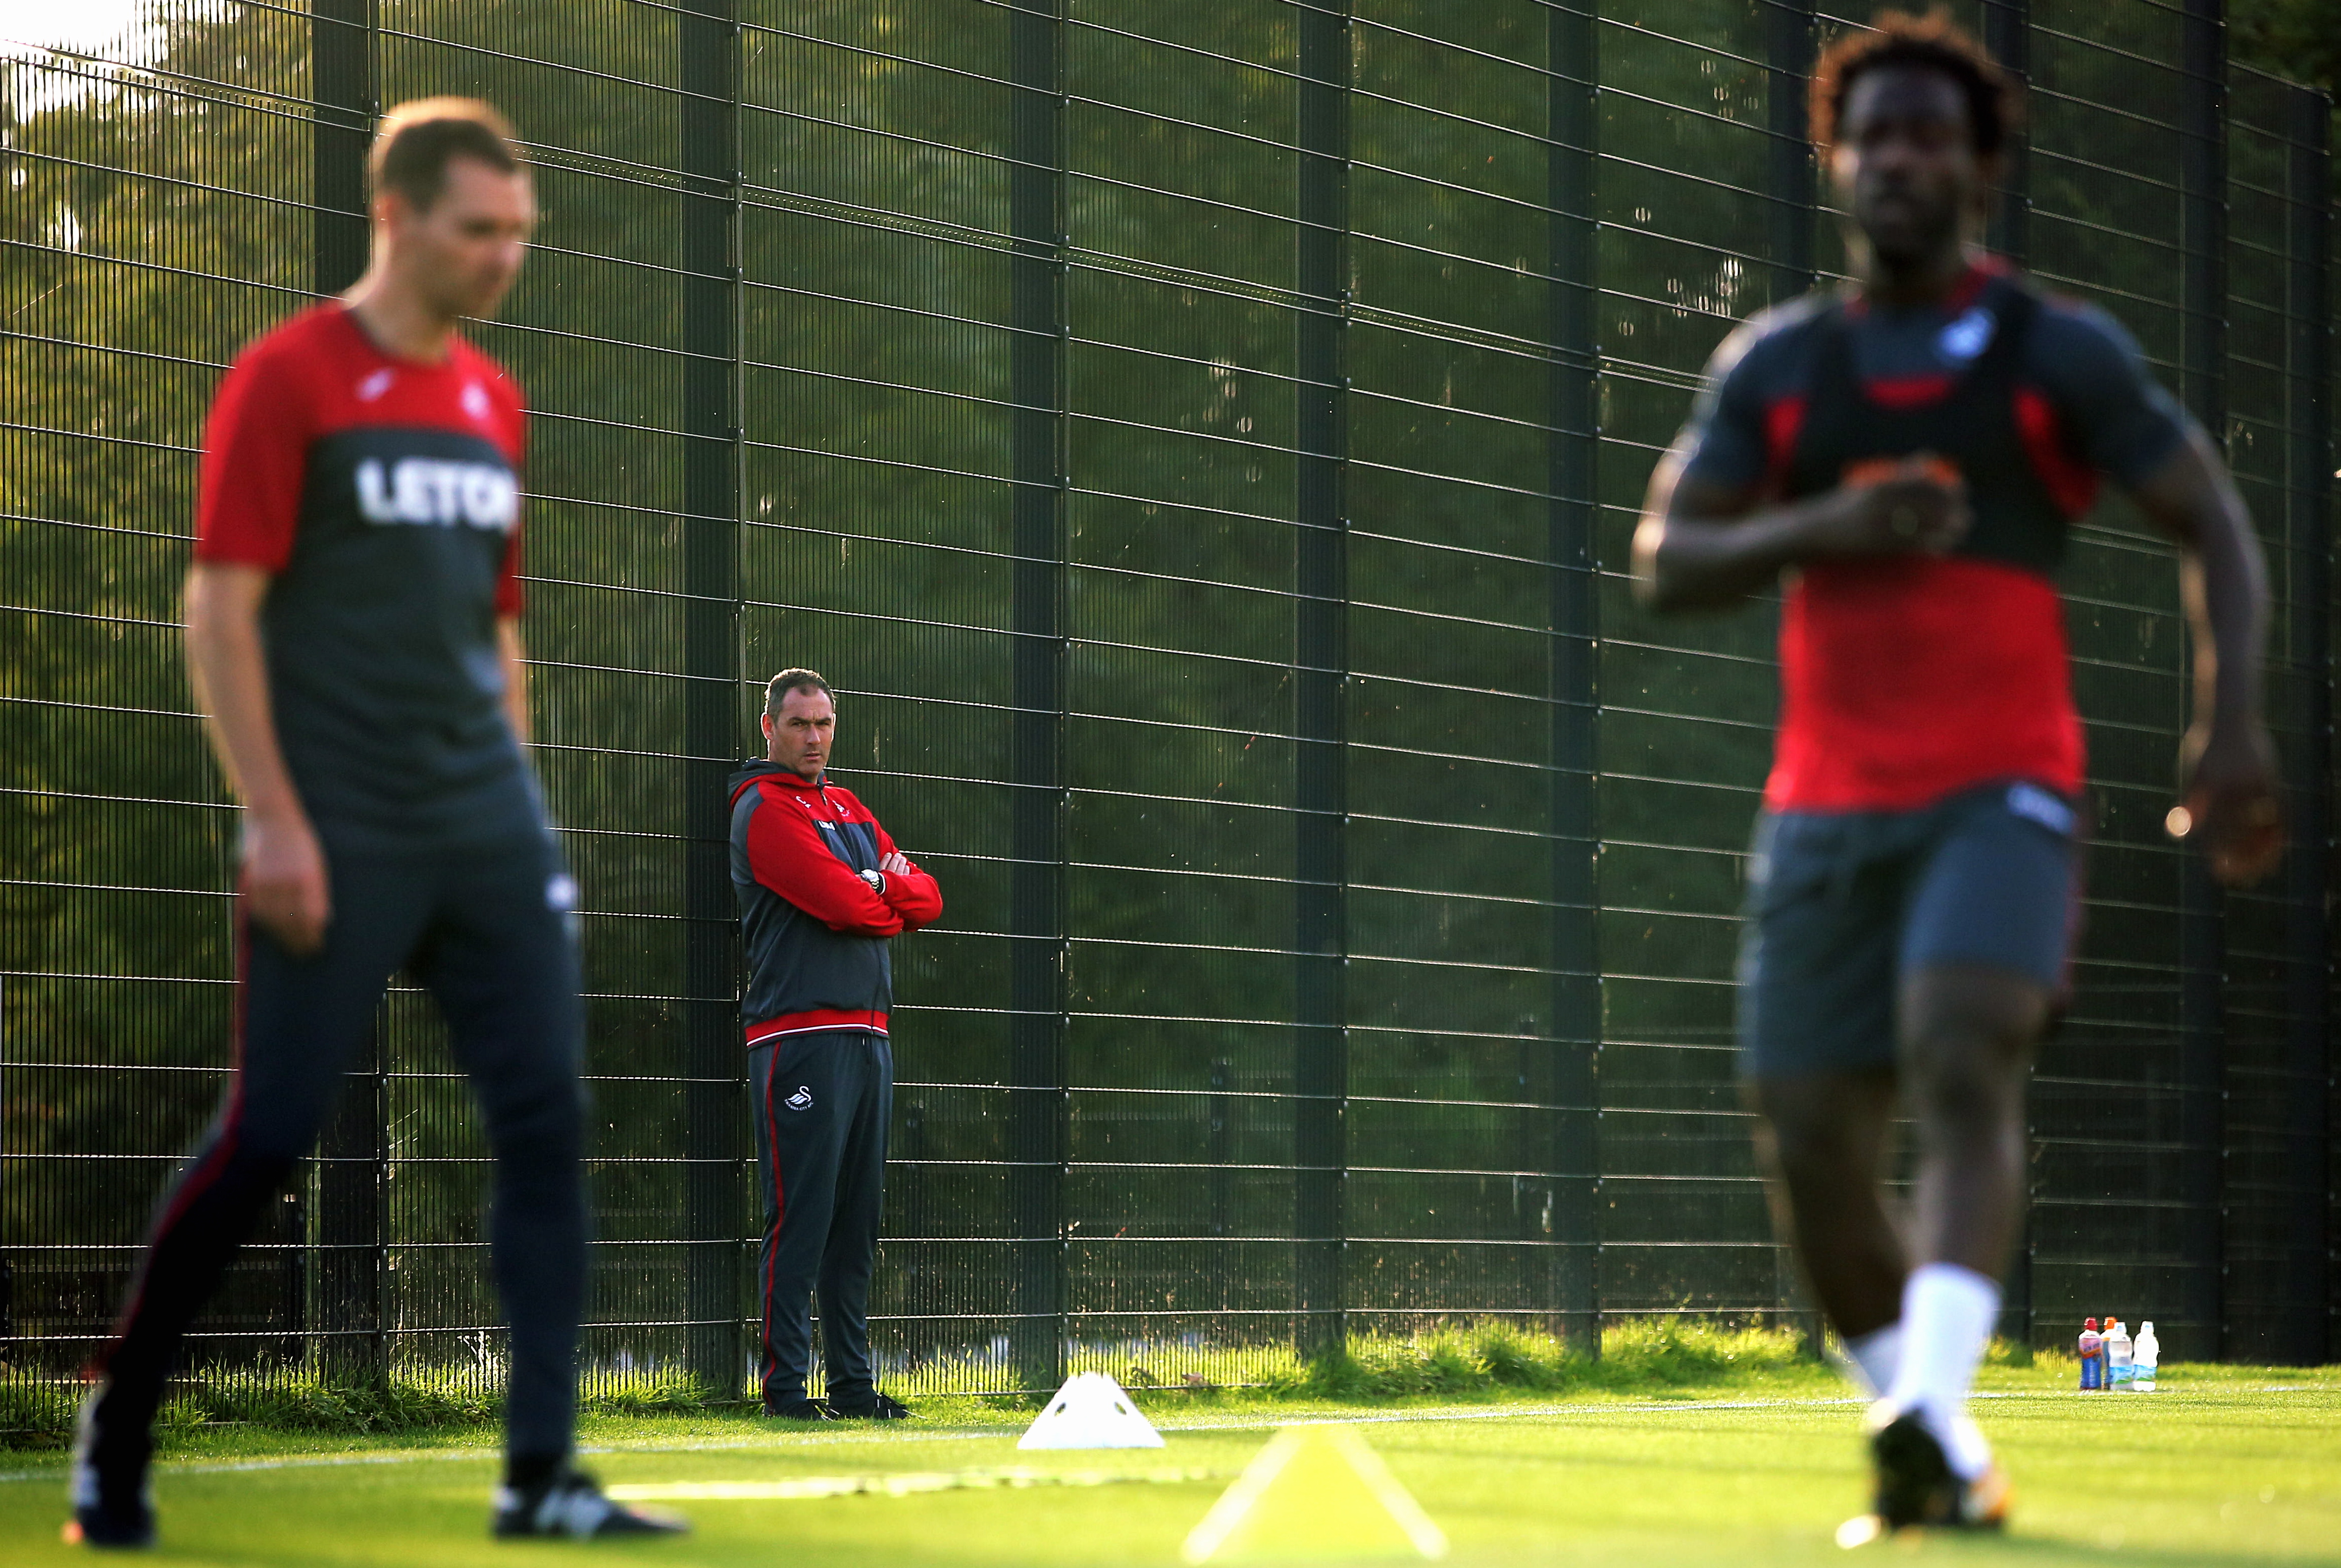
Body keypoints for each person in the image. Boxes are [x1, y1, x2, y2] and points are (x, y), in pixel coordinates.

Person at [1630, 12, 2280, 1541]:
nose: (1900, 158)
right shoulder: (1781, 365)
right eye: (1874, 135)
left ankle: (1917, 1421)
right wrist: (1824, 527)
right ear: (1836, 162)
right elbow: (1664, 557)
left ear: (1982, 165)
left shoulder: (2056, 353)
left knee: (1960, 1053)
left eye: (1931, 133)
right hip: (1822, 806)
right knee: (1805, 1136)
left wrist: (2230, 719)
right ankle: (1930, 1435)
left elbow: (2213, 523)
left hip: (2002, 789)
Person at [68, 100, 684, 1546]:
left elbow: (499, 627)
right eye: (481, 230)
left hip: (486, 827)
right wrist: (271, 819)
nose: (504, 258)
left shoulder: (492, 402)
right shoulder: (291, 379)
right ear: (396, 218)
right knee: (270, 1133)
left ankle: (540, 1476)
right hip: (335, 828)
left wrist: (522, 816)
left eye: (520, 233)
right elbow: (220, 609)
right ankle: (122, 1411)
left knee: (546, 1122)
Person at [729, 669, 942, 1420]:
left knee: (857, 1222)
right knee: (802, 1215)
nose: (814, 737)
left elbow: (929, 895)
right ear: (770, 728)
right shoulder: (761, 809)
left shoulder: (848, 805)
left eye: (824, 723)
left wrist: (876, 893)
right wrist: (880, 894)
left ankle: (852, 1385)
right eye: (799, 724)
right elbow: (846, 901)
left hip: (868, 1037)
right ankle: (785, 1391)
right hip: (799, 1038)